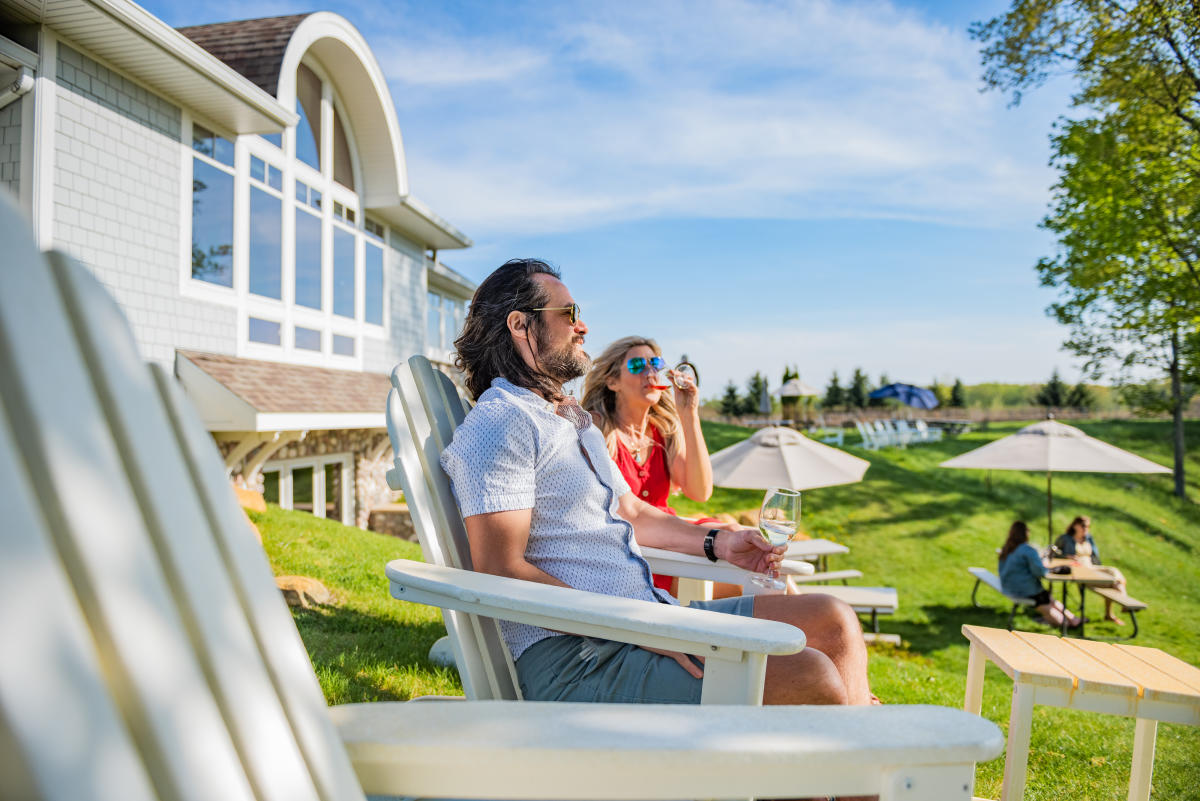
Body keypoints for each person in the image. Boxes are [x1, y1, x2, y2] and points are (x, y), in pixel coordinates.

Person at [440, 258, 873, 709]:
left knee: (832, 620)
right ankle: (862, 776)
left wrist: (719, 542)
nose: (583, 326)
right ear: (520, 325)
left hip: (645, 616)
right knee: (808, 673)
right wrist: (636, 626)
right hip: (581, 656)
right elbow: (499, 569)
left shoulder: (568, 419)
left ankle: (863, 773)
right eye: (568, 314)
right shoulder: (500, 422)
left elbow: (631, 512)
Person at [580, 337, 731, 594]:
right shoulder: (597, 429)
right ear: (612, 381)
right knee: (733, 542)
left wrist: (688, 413)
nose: (650, 372)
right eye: (638, 365)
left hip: (668, 538)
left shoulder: (663, 432)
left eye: (655, 364)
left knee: (739, 536)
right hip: (628, 551)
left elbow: (700, 491)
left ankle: (793, 625)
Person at [998, 520, 1082, 629]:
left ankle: (1073, 619)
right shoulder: (1027, 550)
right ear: (1026, 534)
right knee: (1045, 600)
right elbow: (1040, 572)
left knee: (1048, 597)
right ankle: (1066, 624)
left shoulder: (1007, 548)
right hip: (1023, 589)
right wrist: (1049, 567)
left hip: (1009, 585)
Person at [1054, 515, 1128, 625]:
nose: (1086, 528)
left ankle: (1124, 601)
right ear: (1075, 525)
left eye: (1088, 526)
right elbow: (1053, 553)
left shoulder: (1088, 538)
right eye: (1083, 526)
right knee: (1113, 582)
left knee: (1113, 572)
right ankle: (1120, 606)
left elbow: (1095, 556)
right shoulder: (1065, 538)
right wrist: (1067, 557)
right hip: (1079, 571)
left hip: (1092, 567)